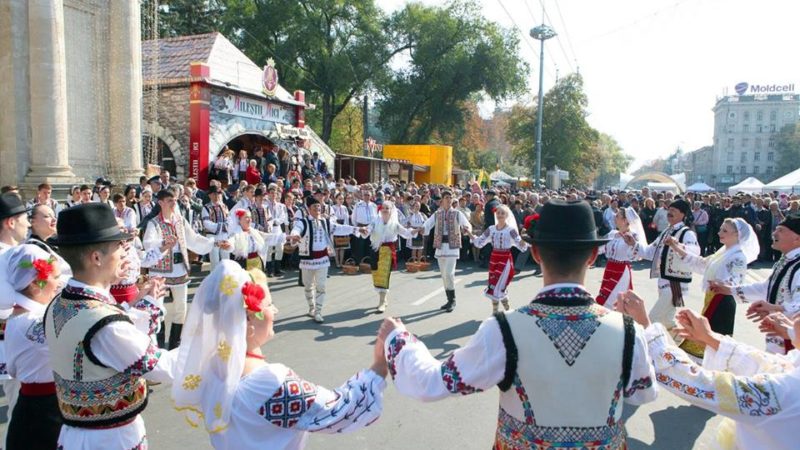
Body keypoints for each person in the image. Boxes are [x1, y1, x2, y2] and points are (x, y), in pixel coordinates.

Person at [379, 200, 657, 449]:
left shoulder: (502, 330)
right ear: (593, 257)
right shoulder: (629, 332)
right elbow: (644, 393)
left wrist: (398, 339)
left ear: (536, 254)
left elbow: (433, 383)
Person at [171, 262, 387, 449]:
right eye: (268, 305)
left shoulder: (211, 364)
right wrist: (380, 365)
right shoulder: (269, 383)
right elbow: (340, 412)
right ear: (248, 322)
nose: (275, 311)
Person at [44, 203, 175, 449]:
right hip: (110, 440)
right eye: (118, 247)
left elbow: (108, 338)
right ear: (96, 257)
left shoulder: (60, 303)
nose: (124, 253)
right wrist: (216, 347)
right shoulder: (104, 323)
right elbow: (161, 367)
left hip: (74, 435)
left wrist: (141, 305)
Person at [619, 292, 800, 450]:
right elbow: (770, 364)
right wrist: (710, 338)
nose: (796, 316)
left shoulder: (786, 394)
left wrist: (646, 329)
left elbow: (701, 383)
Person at [0, 245, 64, 449]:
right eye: (54, 277)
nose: (59, 283)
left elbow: (13, 369)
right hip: (47, 412)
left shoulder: (15, 319)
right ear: (37, 283)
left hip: (30, 408)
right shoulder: (36, 321)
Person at [667, 218, 757, 360]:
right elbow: (701, 263)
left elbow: (736, 281)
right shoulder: (722, 252)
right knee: (706, 338)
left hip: (723, 300)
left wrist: (720, 283)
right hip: (713, 298)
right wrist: (676, 248)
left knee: (712, 341)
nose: (720, 232)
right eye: (721, 229)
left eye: (725, 230)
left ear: (737, 235)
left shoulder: (739, 257)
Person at [711, 214, 800, 354]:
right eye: (776, 229)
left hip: (792, 341)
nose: (774, 233)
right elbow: (767, 288)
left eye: (781, 230)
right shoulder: (786, 261)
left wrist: (773, 308)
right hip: (779, 336)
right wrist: (730, 290)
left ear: (797, 238)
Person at [144, 189, 220, 349]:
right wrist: (164, 242)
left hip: (179, 269)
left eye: (175, 200)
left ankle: (174, 345)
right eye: (170, 200)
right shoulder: (154, 223)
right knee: (158, 308)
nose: (174, 203)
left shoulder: (180, 221)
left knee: (181, 308)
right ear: (161, 203)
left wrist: (214, 243)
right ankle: (158, 345)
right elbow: (148, 244)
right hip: (160, 271)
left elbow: (194, 239)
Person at [624, 199, 699, 333]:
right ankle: (681, 345)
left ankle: (644, 348)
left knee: (652, 319)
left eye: (673, 211)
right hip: (663, 282)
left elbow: (694, 254)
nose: (669, 214)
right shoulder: (666, 232)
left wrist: (676, 245)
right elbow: (650, 252)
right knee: (667, 321)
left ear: (683, 214)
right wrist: (633, 244)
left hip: (675, 284)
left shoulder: (687, 233)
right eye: (668, 211)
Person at [288, 196, 362, 323]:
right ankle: (311, 308)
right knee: (307, 286)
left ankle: (318, 311)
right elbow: (296, 229)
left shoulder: (325, 222)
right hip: (308, 260)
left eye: (319, 206)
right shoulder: (303, 222)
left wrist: (356, 229)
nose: (317, 208)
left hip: (322, 259)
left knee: (321, 286)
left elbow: (340, 228)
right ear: (309, 209)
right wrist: (295, 235)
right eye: (314, 207)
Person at [418, 190, 472, 312]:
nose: (448, 199)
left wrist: (466, 228)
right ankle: (449, 299)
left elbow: (467, 224)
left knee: (449, 273)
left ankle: (453, 300)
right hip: (440, 246)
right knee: (443, 275)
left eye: (450, 197)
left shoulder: (457, 214)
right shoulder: (437, 214)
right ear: (442, 200)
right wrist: (422, 228)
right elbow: (428, 224)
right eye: (446, 197)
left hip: (452, 247)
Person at [471, 205, 529, 313]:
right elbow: (480, 242)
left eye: (502, 213)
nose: (500, 215)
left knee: (498, 286)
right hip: (494, 259)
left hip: (505, 259)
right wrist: (470, 234)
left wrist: (523, 241)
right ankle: (508, 309)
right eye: (498, 213)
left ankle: (495, 313)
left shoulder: (510, 230)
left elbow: (520, 244)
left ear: (507, 215)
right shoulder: (491, 229)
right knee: (495, 285)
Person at [365, 201, 415, 313]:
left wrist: (415, 231)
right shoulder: (375, 221)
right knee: (376, 275)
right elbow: (368, 229)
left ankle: (382, 302)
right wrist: (364, 230)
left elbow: (406, 233)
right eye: (383, 208)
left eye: (387, 208)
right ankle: (383, 298)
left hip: (387, 251)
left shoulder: (394, 223)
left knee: (383, 275)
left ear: (391, 210)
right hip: (375, 249)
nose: (384, 210)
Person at [596, 207, 647, 309]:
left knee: (613, 300)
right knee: (605, 295)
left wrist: (632, 244)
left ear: (625, 220)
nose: (615, 217)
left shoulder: (632, 236)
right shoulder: (612, 233)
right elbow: (600, 248)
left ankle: (618, 322)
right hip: (610, 267)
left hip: (621, 270)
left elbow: (637, 255)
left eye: (617, 216)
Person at [203, 185, 232, 270]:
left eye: (219, 194)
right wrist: (220, 226)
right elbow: (206, 223)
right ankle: (214, 281)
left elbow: (230, 220)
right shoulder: (206, 207)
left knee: (226, 260)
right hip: (213, 237)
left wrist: (226, 226)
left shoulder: (224, 206)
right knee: (214, 261)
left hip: (224, 236)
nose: (217, 196)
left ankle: (226, 279)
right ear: (210, 195)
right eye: (214, 194)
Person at [351, 190, 377, 265]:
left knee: (369, 245)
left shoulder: (374, 205)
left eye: (368, 195)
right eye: (365, 195)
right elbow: (353, 217)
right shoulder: (358, 205)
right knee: (359, 246)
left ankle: (368, 262)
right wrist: (357, 227)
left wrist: (372, 227)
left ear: (371, 196)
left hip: (370, 228)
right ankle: (359, 262)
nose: (367, 196)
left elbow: (375, 218)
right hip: (361, 227)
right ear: (362, 196)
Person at [330, 193, 351, 268]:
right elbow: (332, 218)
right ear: (336, 199)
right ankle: (337, 262)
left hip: (343, 228)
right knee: (336, 247)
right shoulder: (333, 207)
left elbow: (347, 218)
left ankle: (341, 262)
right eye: (339, 199)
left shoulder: (344, 207)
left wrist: (346, 228)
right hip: (336, 228)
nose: (341, 200)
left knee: (343, 246)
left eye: (342, 199)